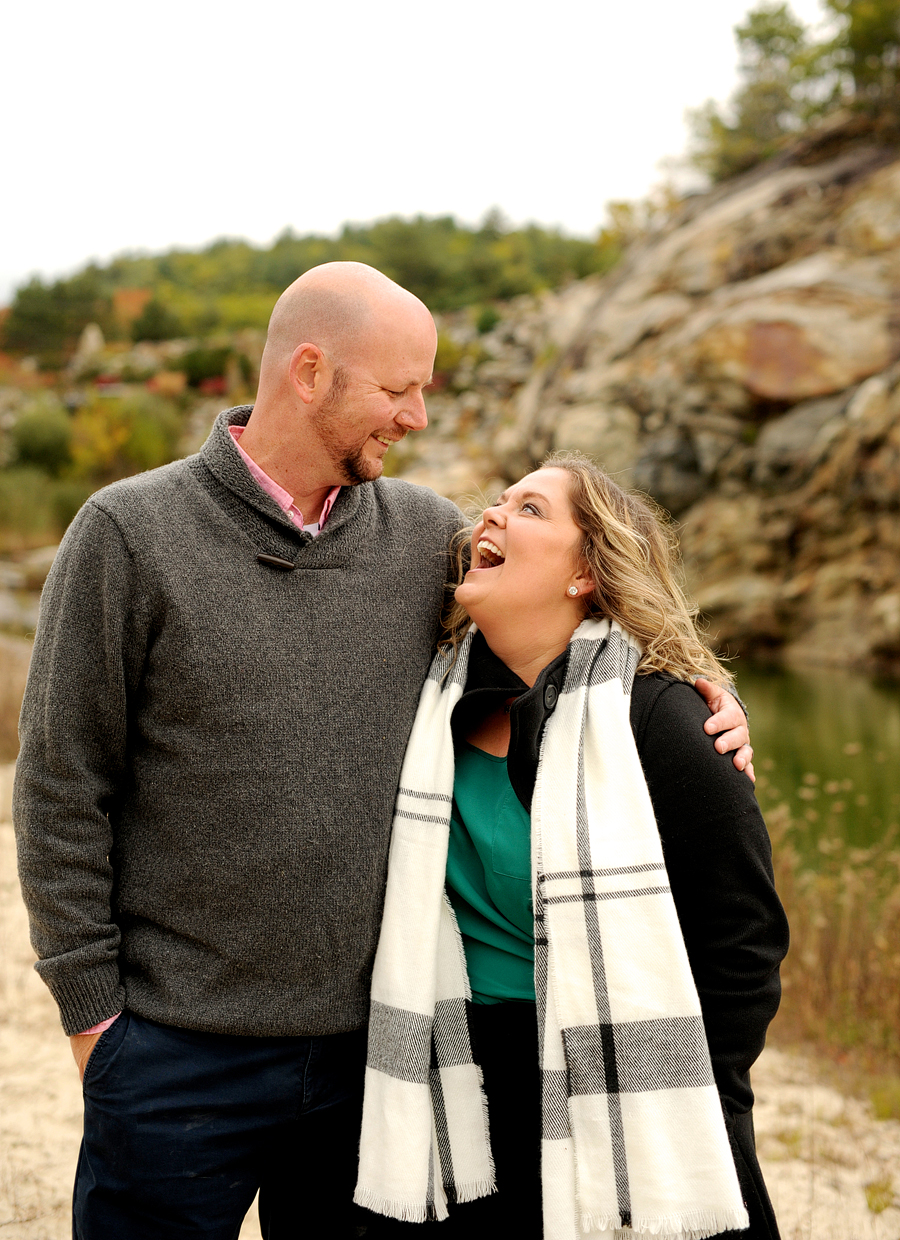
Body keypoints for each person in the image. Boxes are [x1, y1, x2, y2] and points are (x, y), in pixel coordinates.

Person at [13, 263, 753, 1240]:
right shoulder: (128, 533)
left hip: (376, 1059)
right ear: (310, 372)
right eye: (399, 389)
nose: (415, 416)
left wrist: (702, 689)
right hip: (174, 1057)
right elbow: (63, 789)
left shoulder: (422, 538)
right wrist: (95, 1023)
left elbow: (568, 608)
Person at [355, 454, 788, 1239]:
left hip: (607, 1075)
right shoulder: (431, 701)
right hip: (455, 1072)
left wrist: (680, 1100)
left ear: (585, 572)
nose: (489, 515)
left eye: (529, 510)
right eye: (498, 501)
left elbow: (743, 947)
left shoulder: (658, 723)